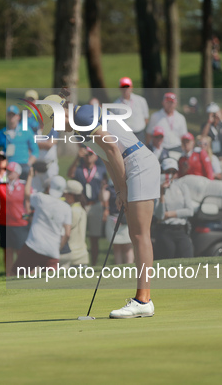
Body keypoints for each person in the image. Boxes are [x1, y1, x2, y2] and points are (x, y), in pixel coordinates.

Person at [64, 98, 161, 319]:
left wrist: (124, 187)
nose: (60, 129)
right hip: (132, 165)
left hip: (137, 163)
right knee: (137, 235)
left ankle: (143, 301)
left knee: (140, 234)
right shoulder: (80, 128)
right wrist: (119, 191)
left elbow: (113, 150)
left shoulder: (83, 115)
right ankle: (143, 299)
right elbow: (106, 157)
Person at [12, 174, 71, 274]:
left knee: (16, 275)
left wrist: (30, 176)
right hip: (52, 251)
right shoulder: (67, 208)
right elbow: (67, 233)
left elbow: (26, 194)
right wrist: (59, 247)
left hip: (34, 245)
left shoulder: (41, 198)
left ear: (49, 187)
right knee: (50, 285)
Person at [68, 145, 108, 265]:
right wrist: (76, 158)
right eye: (86, 155)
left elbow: (104, 189)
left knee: (94, 238)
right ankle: (80, 262)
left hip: (95, 204)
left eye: (91, 154)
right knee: (80, 235)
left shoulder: (101, 170)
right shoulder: (79, 169)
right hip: (82, 206)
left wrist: (105, 208)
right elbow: (70, 174)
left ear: (96, 156)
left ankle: (94, 264)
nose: (88, 157)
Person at [0, 162, 29, 267]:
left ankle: (23, 272)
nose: (8, 173)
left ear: (17, 173)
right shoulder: (2, 186)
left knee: (20, 250)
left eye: (11, 171)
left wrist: (26, 218)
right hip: (5, 222)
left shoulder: (24, 186)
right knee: (8, 250)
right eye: (7, 171)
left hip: (20, 223)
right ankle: (9, 274)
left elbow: (30, 205)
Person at [153, 158, 195, 259]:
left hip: (181, 229)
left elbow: (190, 211)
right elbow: (159, 215)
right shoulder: (156, 189)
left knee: (188, 259)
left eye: (174, 172)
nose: (170, 175)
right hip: (165, 231)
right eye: (168, 172)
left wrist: (169, 214)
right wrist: (162, 193)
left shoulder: (182, 186)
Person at [200, 102, 222, 182]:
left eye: (215, 113)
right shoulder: (206, 126)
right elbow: (202, 137)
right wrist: (209, 122)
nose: (214, 116)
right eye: (211, 114)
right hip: (212, 159)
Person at [60, 180, 89, 268]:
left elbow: (63, 230)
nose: (63, 196)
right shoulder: (80, 208)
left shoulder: (73, 211)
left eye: (65, 194)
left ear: (71, 194)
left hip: (73, 257)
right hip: (81, 255)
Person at [105, 177, 133, 265]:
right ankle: (119, 267)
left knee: (128, 246)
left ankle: (129, 266)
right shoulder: (109, 188)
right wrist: (103, 188)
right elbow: (104, 198)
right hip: (113, 218)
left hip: (125, 218)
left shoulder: (128, 188)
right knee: (116, 247)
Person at [113, 77, 149, 143]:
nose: (125, 89)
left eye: (127, 87)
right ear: (120, 88)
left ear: (131, 87)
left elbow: (146, 118)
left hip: (139, 133)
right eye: (123, 87)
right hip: (125, 135)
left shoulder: (141, 100)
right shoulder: (115, 104)